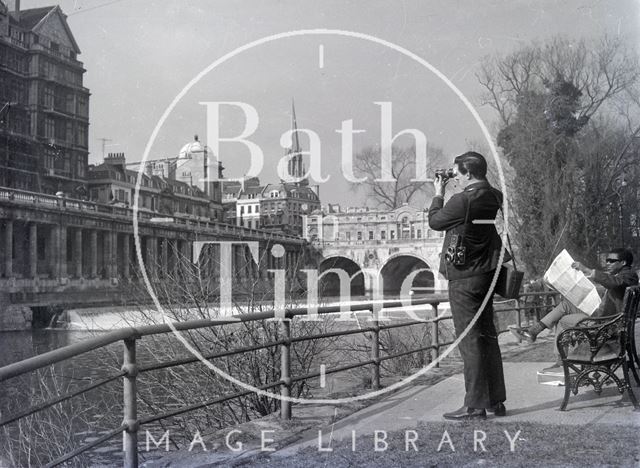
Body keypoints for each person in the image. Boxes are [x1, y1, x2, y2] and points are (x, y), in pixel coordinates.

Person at [428, 151, 507, 420]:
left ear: (469, 173)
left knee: (470, 341)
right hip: (487, 274)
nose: (456, 179)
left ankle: (474, 405)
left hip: (464, 278)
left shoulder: (463, 200)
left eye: (458, 174)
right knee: (487, 336)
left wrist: (438, 192)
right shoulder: (495, 195)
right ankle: (496, 401)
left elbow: (435, 221)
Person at [510, 248, 638, 371]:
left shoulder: (629, 276)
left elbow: (615, 282)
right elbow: (611, 286)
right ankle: (533, 331)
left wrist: (588, 270)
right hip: (606, 316)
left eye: (611, 260)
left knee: (563, 321)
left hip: (606, 323)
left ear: (623, 263)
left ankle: (560, 362)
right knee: (566, 304)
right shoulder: (621, 275)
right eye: (607, 260)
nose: (608, 263)